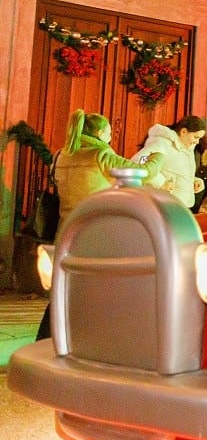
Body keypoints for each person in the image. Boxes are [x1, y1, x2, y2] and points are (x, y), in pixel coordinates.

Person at [37, 109, 164, 340]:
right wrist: (157, 158)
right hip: (96, 227)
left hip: (66, 228)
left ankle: (47, 337)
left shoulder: (63, 154)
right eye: (108, 131)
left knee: (66, 285)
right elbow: (141, 172)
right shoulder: (100, 154)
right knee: (101, 283)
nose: (111, 136)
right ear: (99, 132)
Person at [135, 115, 207, 208]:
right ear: (183, 131)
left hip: (178, 207)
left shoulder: (188, 150)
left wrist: (193, 181)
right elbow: (139, 162)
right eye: (195, 137)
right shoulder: (161, 143)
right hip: (160, 206)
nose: (197, 142)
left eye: (199, 138)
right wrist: (160, 183)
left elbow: (175, 172)